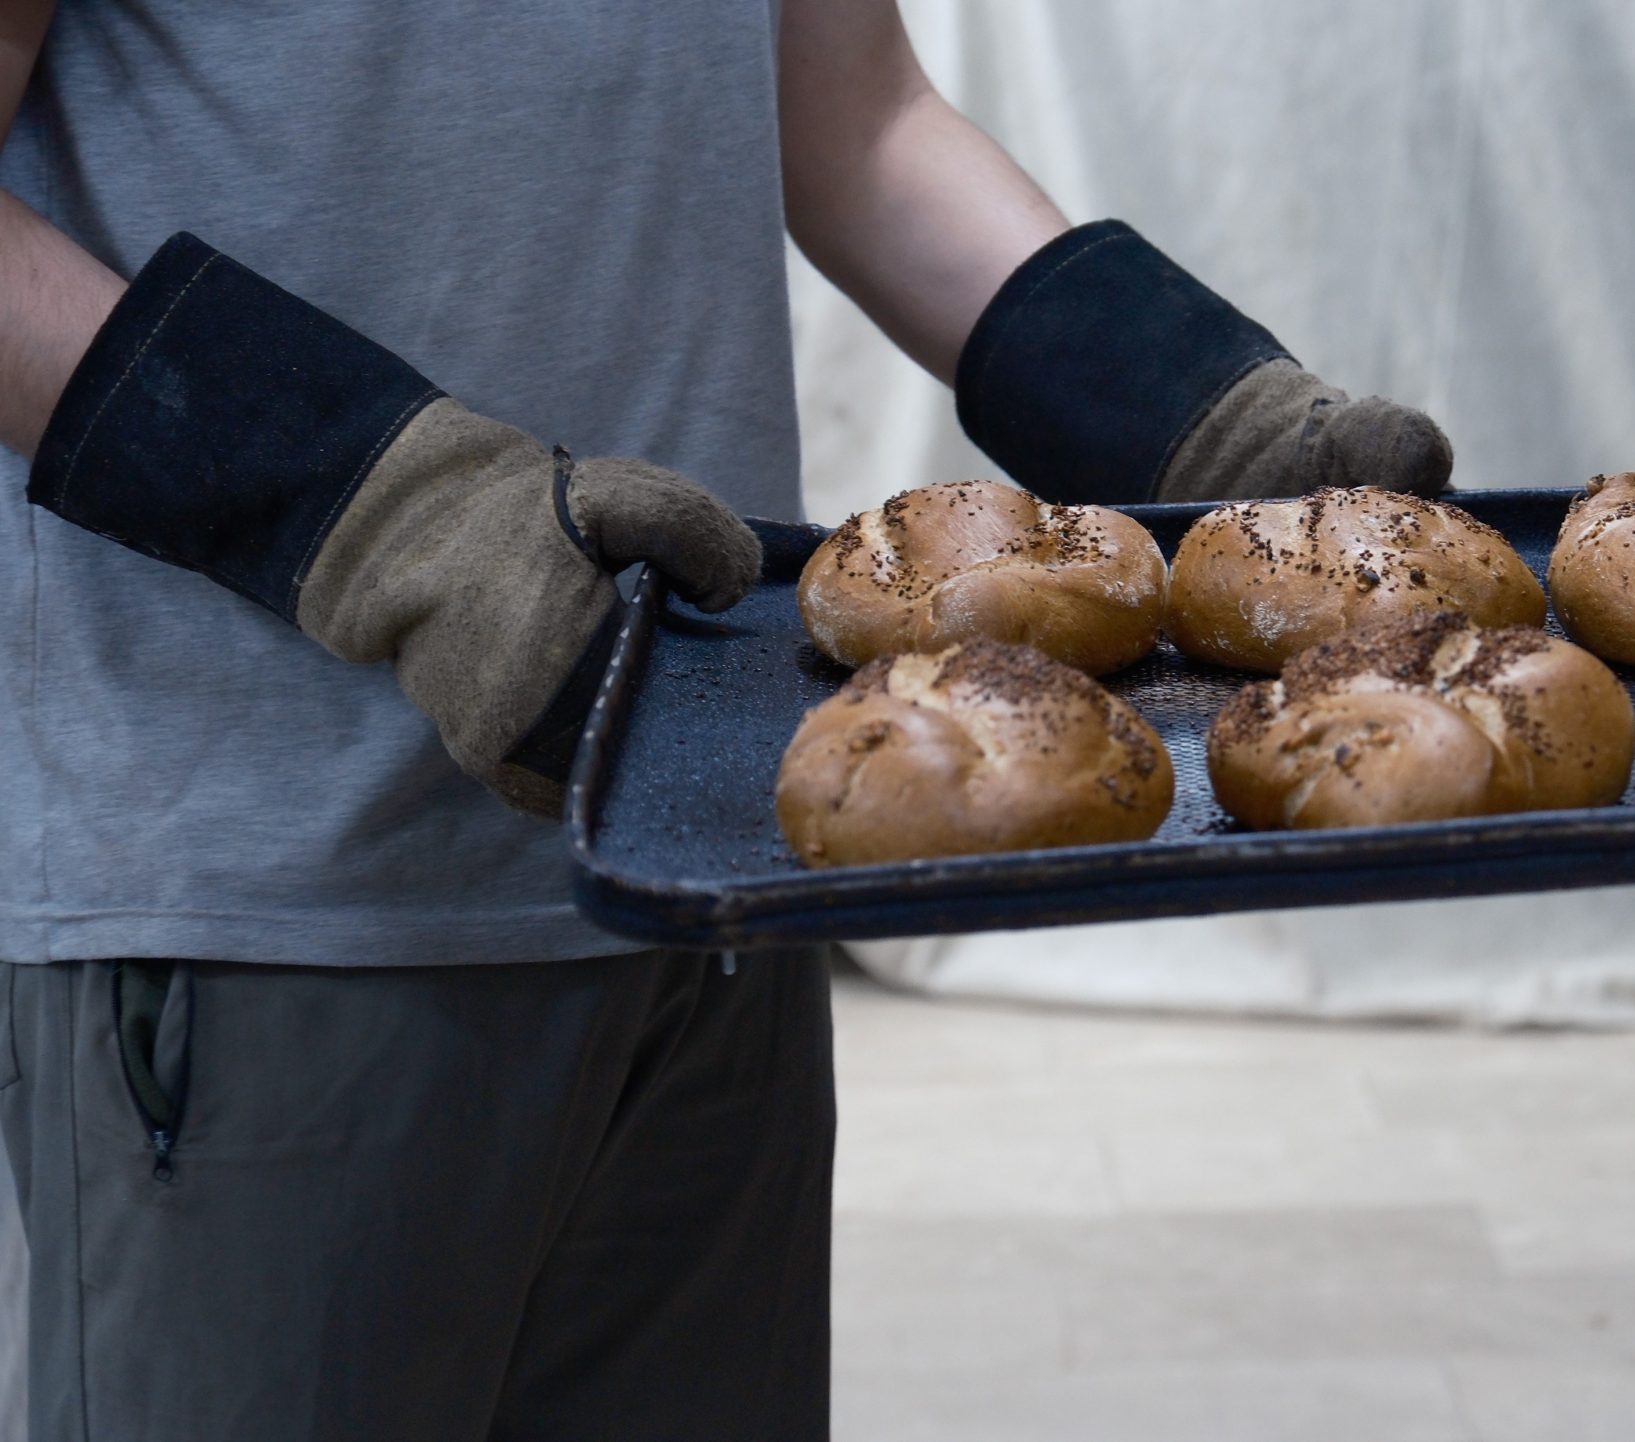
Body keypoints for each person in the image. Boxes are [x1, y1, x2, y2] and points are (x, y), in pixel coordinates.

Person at [0, 1, 1452, 1437]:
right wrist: (391, 519)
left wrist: (1194, 417)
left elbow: (857, 122)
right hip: (274, 911)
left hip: (715, 860)